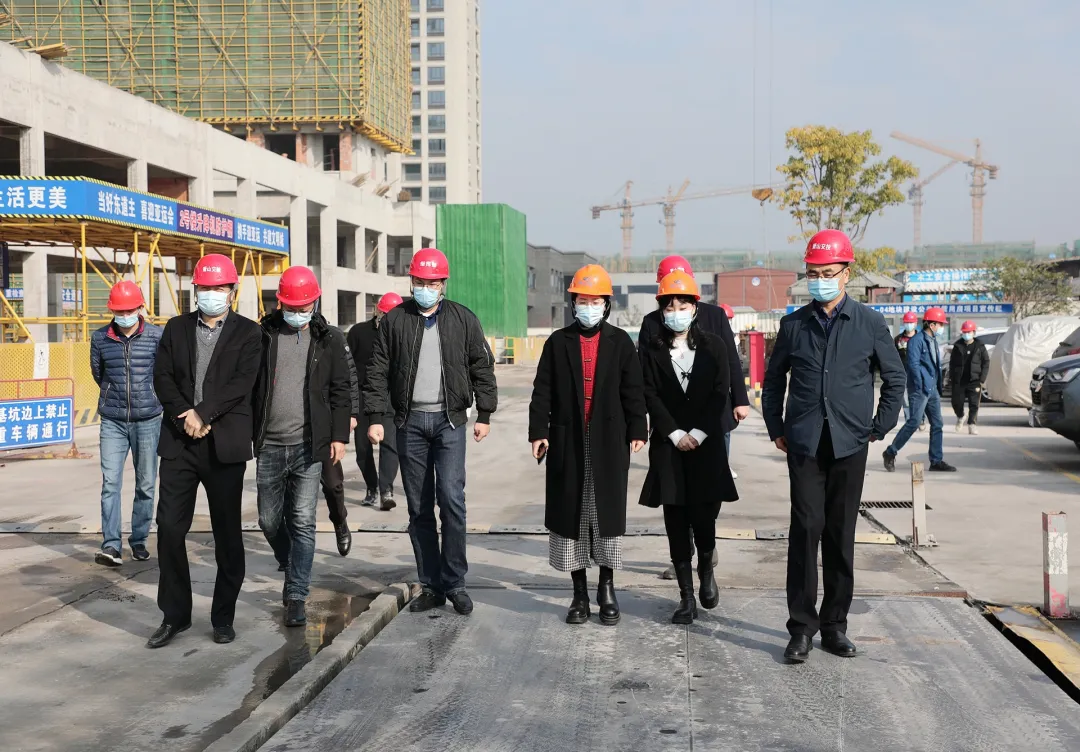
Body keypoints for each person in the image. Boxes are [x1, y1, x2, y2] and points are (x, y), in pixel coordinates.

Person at [762, 229, 905, 663]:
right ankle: (801, 629)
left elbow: (894, 378)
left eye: (828, 273)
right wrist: (776, 426)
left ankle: (834, 626)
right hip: (804, 443)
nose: (820, 280)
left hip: (850, 443)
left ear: (846, 273)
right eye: (813, 273)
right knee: (806, 531)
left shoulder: (870, 323)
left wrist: (879, 426)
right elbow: (773, 381)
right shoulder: (793, 325)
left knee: (841, 535)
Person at [363, 248, 498, 617]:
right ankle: (432, 585)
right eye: (420, 282)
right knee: (419, 507)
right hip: (409, 423)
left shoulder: (463, 319)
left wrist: (484, 413)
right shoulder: (395, 320)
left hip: (449, 422)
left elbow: (481, 366)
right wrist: (375, 416)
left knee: (452, 500)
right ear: (412, 282)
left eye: (433, 282)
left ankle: (455, 583)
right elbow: (377, 370)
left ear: (443, 284)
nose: (426, 288)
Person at [150, 254, 262, 648]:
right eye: (204, 288)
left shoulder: (249, 333)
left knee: (227, 534)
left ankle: (223, 617)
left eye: (219, 288)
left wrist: (204, 413)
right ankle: (175, 615)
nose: (211, 294)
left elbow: (242, 383)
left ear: (232, 292)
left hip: (224, 445)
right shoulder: (176, 328)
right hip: (180, 442)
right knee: (169, 529)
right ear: (194, 290)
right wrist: (185, 415)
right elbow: (162, 377)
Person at [529, 264, 648, 626]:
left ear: (606, 305)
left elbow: (634, 391)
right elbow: (542, 391)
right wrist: (538, 431)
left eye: (596, 302)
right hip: (568, 439)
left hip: (609, 440)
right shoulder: (557, 343)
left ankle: (606, 588)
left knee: (605, 516)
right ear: (573, 304)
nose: (589, 307)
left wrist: (638, 429)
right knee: (573, 518)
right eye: (583, 301)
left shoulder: (621, 342)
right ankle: (579, 593)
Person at [253, 266, 352, 627]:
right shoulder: (263, 336)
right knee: (268, 520)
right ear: (280, 304)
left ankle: (296, 595)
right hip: (269, 444)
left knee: (303, 520)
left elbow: (341, 389)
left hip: (309, 446)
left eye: (305, 307)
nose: (299, 314)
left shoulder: (329, 339)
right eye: (292, 307)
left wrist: (339, 436)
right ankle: (290, 558)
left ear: (315, 303)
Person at [639, 255, 748, 580]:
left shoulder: (714, 316)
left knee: (710, 487)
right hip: (671, 420)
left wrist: (740, 400)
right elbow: (645, 375)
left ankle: (706, 543)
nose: (676, 310)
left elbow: (730, 360)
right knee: (675, 494)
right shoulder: (651, 322)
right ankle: (683, 554)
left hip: (713, 418)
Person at [90, 281, 163, 567]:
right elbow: (99, 373)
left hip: (148, 420)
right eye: (119, 311)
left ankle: (139, 540)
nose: (124, 315)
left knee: (146, 484)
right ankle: (111, 544)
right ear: (112, 310)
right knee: (110, 483)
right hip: (113, 421)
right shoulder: (100, 338)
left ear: (140, 308)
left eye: (129, 310)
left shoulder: (156, 336)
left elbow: (163, 373)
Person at [346, 292, 404, 512]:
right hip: (362, 396)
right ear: (378, 311)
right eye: (386, 314)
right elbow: (347, 366)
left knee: (390, 445)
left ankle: (386, 491)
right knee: (363, 449)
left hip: (389, 397)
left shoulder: (402, 335)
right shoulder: (358, 332)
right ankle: (372, 487)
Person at [883, 307, 958, 474]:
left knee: (937, 424)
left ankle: (936, 460)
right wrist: (919, 385)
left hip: (933, 389)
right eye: (940, 324)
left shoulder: (933, 340)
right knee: (914, 422)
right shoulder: (916, 341)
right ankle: (890, 452)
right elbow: (914, 365)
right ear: (931, 324)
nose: (941, 327)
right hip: (920, 389)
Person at [318, 336, 361, 557]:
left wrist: (351, 414)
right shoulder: (275, 333)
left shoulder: (332, 336)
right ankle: (289, 546)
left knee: (333, 484)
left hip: (325, 422)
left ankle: (339, 520)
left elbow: (349, 377)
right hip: (290, 425)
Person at [949, 320, 989, 435]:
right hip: (959, 380)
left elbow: (986, 362)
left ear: (973, 333)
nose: (966, 334)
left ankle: (972, 424)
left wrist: (982, 378)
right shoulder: (957, 346)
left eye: (969, 332)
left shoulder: (980, 346)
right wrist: (952, 377)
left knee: (974, 404)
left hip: (974, 380)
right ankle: (960, 416)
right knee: (956, 402)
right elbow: (952, 363)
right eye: (964, 332)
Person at [894, 311, 924, 428]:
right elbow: (893, 356)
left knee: (918, 396)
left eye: (911, 322)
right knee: (905, 398)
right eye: (907, 322)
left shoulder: (921, 338)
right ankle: (909, 420)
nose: (909, 325)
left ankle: (920, 419)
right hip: (903, 372)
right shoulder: (898, 339)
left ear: (916, 324)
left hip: (918, 372)